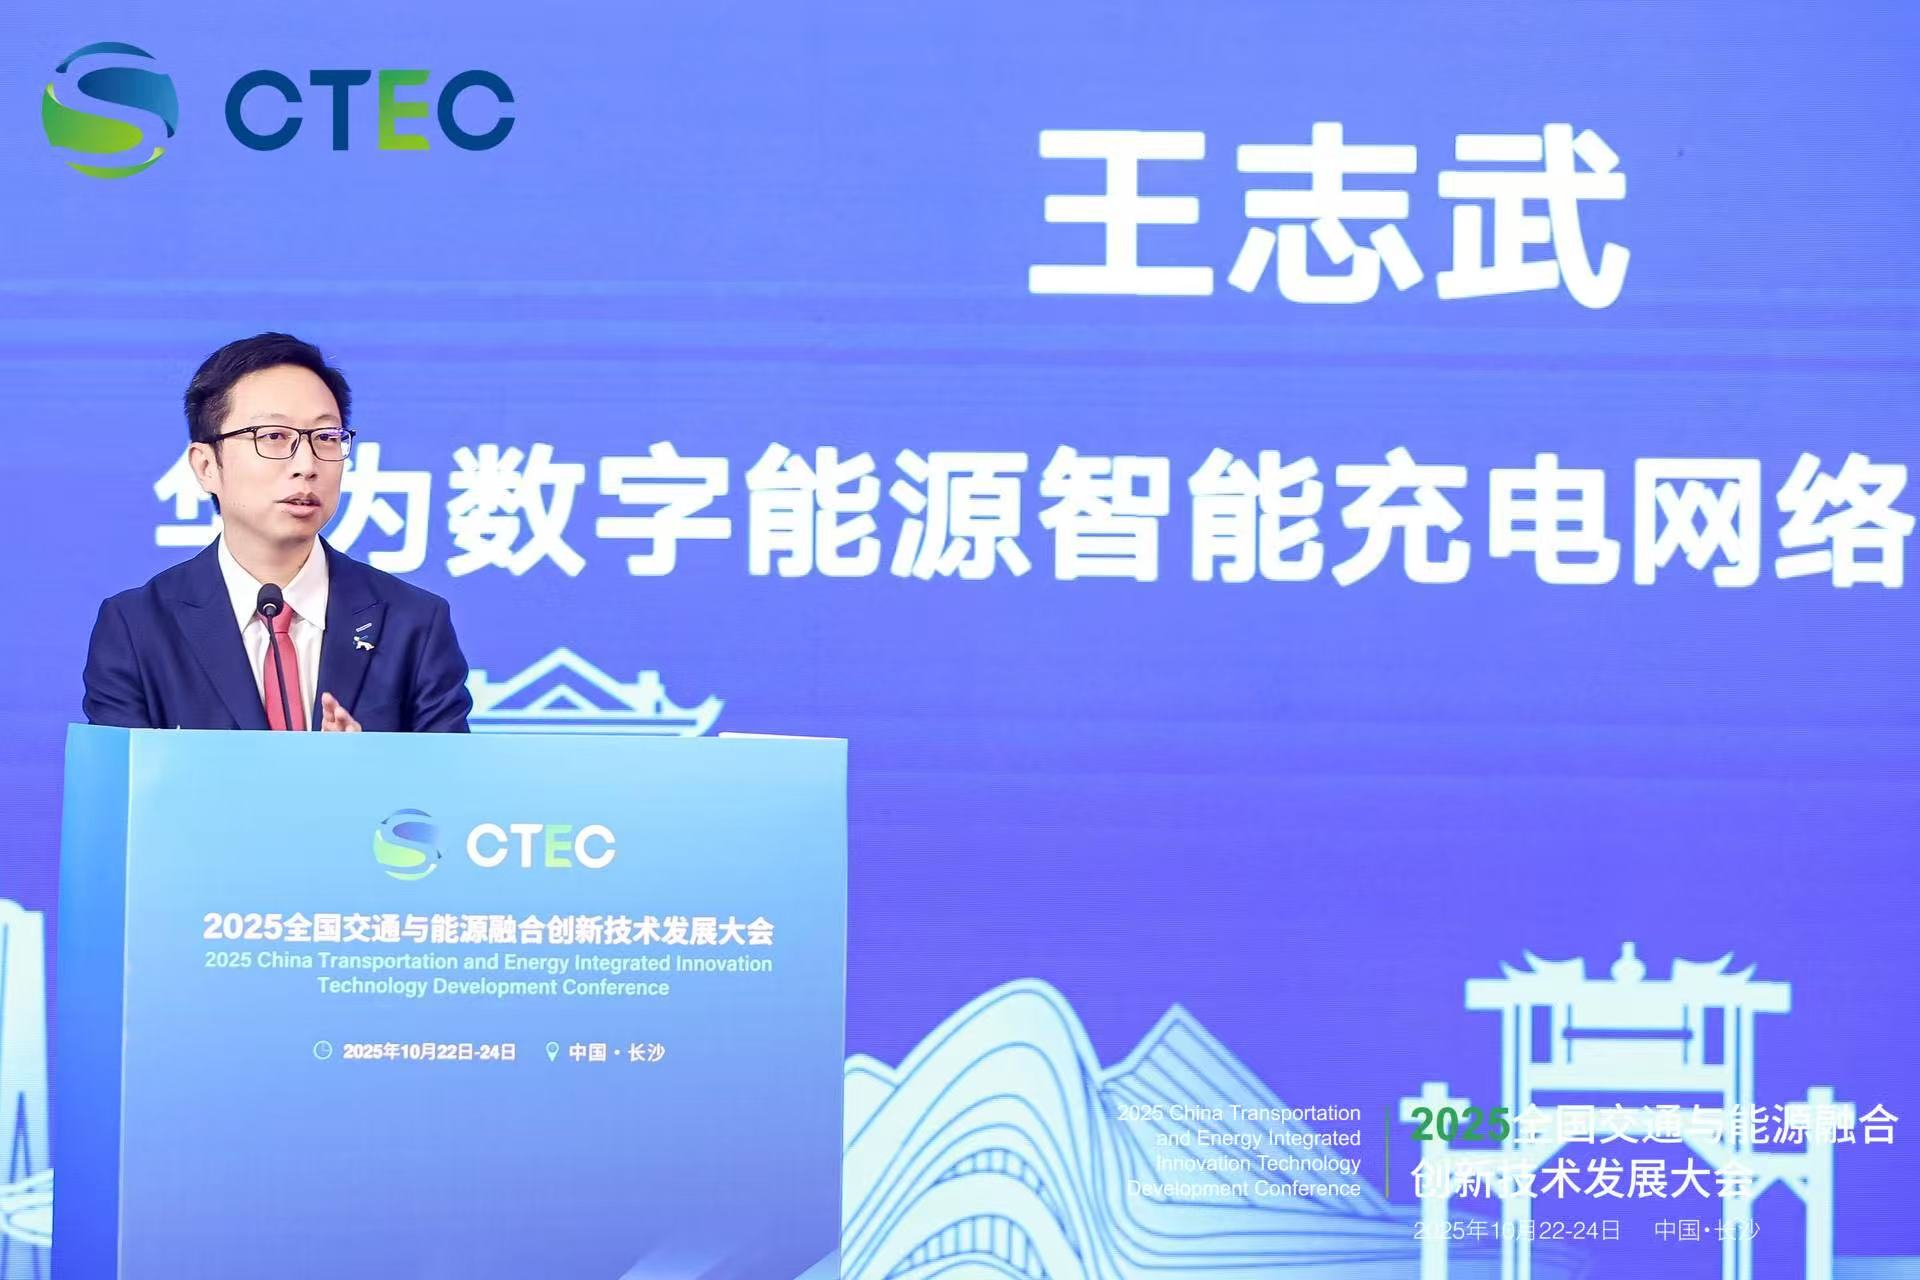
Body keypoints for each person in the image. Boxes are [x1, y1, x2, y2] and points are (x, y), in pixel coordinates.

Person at [82, 332, 471, 732]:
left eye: (326, 438)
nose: (306, 465)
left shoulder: (414, 623)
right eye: (273, 436)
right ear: (206, 466)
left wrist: (366, 765)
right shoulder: (137, 628)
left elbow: (449, 772)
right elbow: (121, 771)